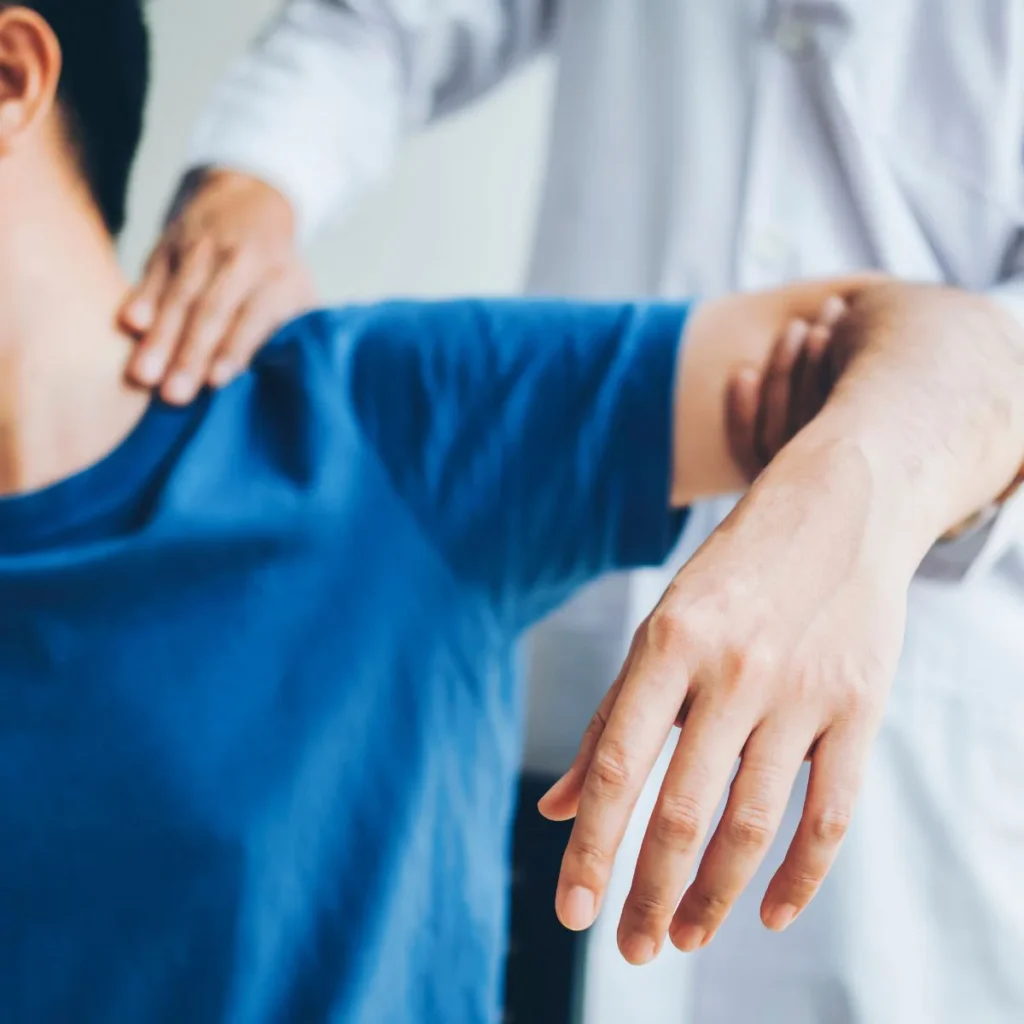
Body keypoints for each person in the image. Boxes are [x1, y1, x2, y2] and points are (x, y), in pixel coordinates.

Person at [13, 2, 1020, 1021]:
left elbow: (952, 347)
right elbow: (381, 24)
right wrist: (253, 176)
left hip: (922, 762)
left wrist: (849, 504)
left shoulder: (395, 419)